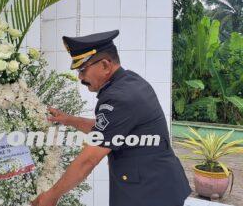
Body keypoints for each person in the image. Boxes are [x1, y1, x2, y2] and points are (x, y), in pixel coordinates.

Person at [31, 30, 191, 206]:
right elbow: (109, 129)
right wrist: (68, 120)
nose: (81, 77)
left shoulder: (120, 98)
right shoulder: (130, 81)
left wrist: (51, 196)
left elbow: (88, 160)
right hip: (157, 184)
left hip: (149, 193)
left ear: (106, 66)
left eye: (83, 69)